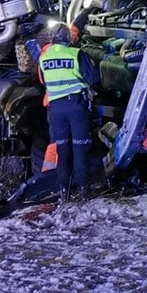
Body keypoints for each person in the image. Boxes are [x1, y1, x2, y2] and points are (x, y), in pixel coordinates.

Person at [38, 22, 100, 200]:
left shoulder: (44, 57)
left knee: (62, 149)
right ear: (67, 37)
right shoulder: (76, 54)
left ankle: (64, 190)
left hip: (55, 109)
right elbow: (93, 78)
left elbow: (43, 80)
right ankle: (83, 190)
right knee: (81, 147)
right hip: (76, 105)